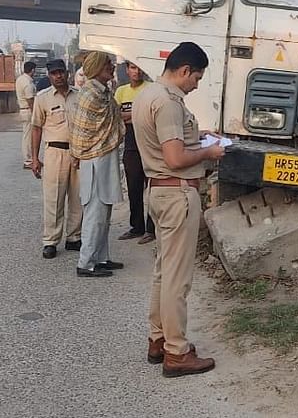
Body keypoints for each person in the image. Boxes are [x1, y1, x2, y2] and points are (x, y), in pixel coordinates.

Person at [132, 42, 225, 377]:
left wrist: (198, 135)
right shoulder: (169, 102)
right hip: (177, 195)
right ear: (184, 70)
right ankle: (177, 352)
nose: (197, 84)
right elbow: (175, 158)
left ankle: (159, 339)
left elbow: (166, 141)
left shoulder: (147, 94)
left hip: (158, 193)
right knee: (177, 279)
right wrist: (208, 153)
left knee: (163, 272)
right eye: (196, 77)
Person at [70, 51, 125, 278]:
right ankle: (86, 263)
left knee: (105, 211)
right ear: (97, 68)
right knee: (95, 213)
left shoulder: (102, 91)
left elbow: (114, 120)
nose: (112, 67)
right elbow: (87, 132)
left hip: (104, 157)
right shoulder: (91, 95)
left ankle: (101, 258)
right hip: (95, 160)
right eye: (108, 65)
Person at [29, 59, 83, 257]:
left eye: (61, 72)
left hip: (78, 153)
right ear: (49, 75)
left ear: (67, 73)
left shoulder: (79, 95)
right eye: (54, 73)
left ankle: (74, 237)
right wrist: (34, 158)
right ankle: (50, 240)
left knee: (78, 197)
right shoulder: (42, 98)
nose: (58, 76)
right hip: (54, 152)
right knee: (54, 198)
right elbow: (36, 128)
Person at [114, 61, 155, 244]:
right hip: (130, 143)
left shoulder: (151, 89)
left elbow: (151, 115)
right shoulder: (121, 92)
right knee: (134, 187)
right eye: (132, 67)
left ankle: (152, 228)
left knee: (152, 187)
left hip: (149, 142)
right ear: (127, 70)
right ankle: (136, 227)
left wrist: (131, 116)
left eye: (138, 67)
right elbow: (115, 115)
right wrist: (137, 115)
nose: (136, 71)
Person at [16, 61, 38, 169]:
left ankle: (31, 159)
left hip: (23, 110)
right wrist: (36, 113)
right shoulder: (28, 83)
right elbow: (30, 100)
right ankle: (28, 160)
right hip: (28, 111)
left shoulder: (20, 79)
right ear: (32, 70)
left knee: (27, 136)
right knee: (29, 137)